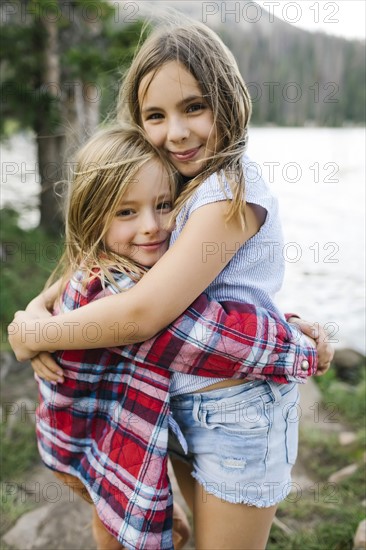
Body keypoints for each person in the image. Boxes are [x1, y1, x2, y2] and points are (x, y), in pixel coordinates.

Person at [9, 18, 333, 550]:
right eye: (156, 116)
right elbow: (97, 258)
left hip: (238, 413)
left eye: (194, 107)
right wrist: (36, 310)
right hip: (177, 399)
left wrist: (37, 336)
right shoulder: (179, 179)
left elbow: (144, 312)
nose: (176, 132)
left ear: (228, 101)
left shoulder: (230, 190)